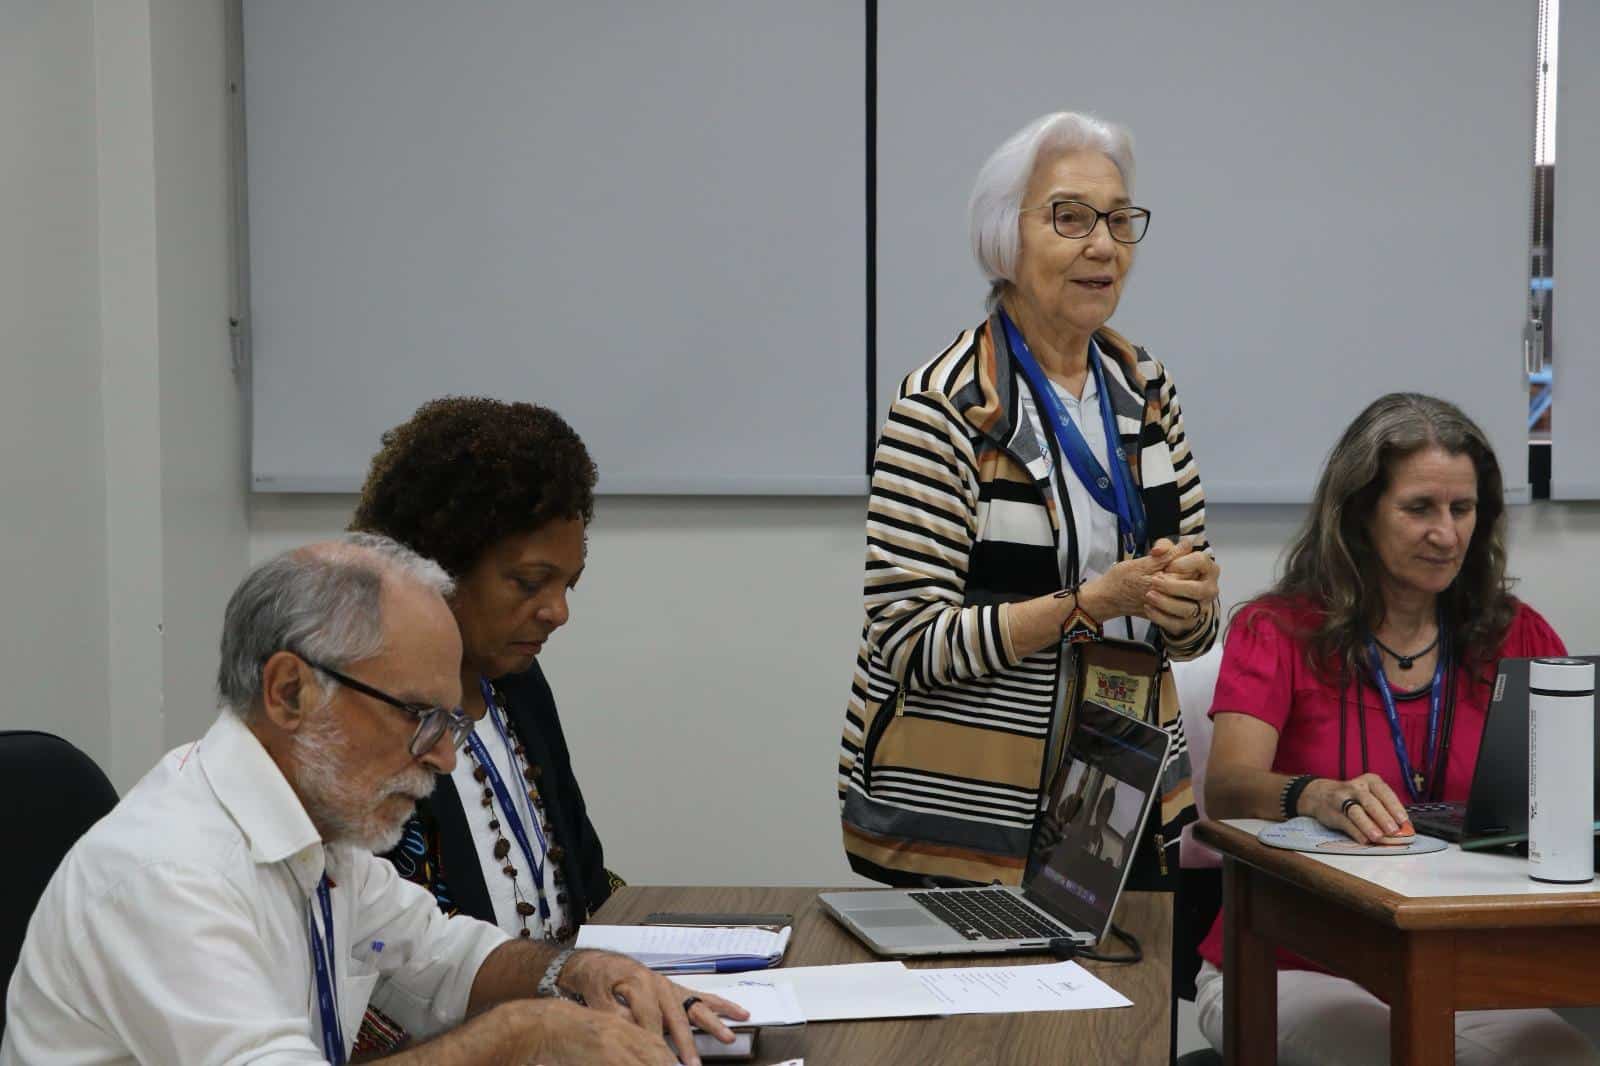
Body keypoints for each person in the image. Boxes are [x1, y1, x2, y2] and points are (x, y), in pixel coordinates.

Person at [0, 535, 743, 1066]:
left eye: (451, 724)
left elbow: (446, 959)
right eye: (420, 716)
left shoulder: (318, 828)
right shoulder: (167, 877)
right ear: (289, 691)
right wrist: (521, 1035)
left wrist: (578, 973)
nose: (444, 757)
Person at [837, 110, 1221, 888]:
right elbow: (908, 639)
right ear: (1004, 238)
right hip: (968, 813)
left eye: (1119, 220)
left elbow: (1191, 623)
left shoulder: (1147, 390)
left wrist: (1188, 606)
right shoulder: (944, 405)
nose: (1103, 245)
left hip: (1118, 805)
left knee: (1140, 975)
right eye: (1070, 218)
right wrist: (1089, 605)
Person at [1197, 393, 1597, 1065]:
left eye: (1462, 509)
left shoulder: (1517, 635)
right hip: (1291, 960)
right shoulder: (1277, 629)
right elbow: (1228, 788)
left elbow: (1576, 793)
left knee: (1562, 1056)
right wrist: (1316, 795)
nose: (1447, 534)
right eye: (1419, 509)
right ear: (1360, 514)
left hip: (1458, 960)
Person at [348, 398, 613, 947]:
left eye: (569, 584)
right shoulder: (369, 721)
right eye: (529, 583)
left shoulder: (519, 686)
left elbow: (585, 880)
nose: (558, 612)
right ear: (436, 564)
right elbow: (395, 957)